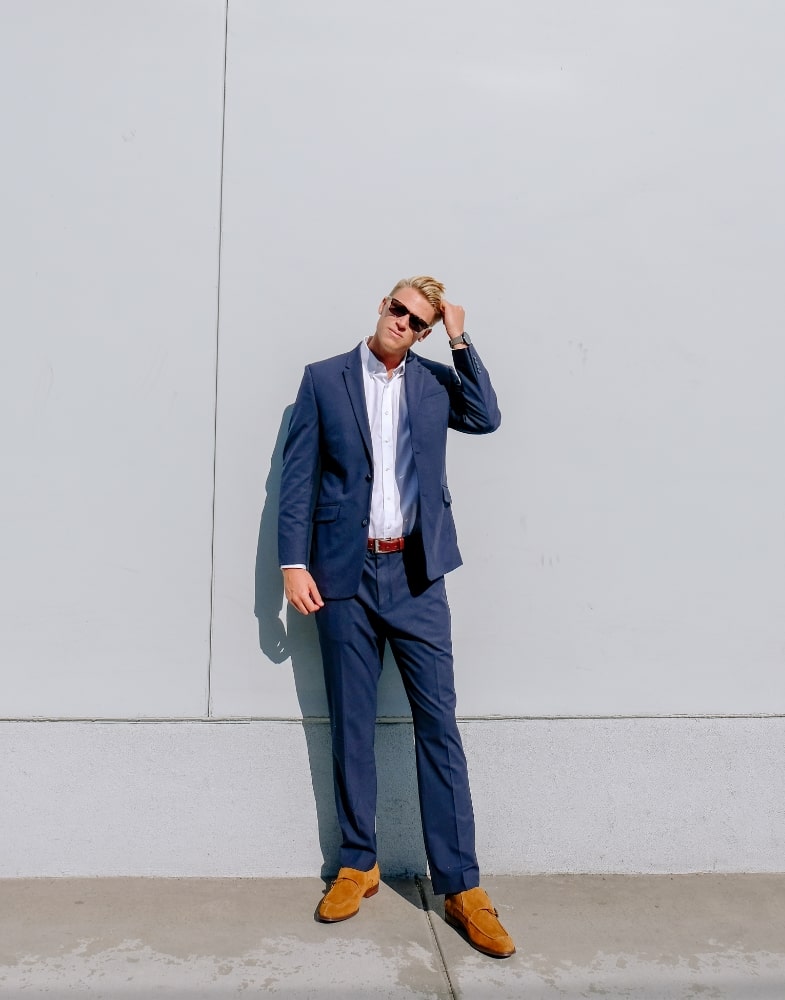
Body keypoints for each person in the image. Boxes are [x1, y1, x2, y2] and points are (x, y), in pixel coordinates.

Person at [278, 276, 515, 958]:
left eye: (418, 321)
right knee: (352, 722)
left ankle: (461, 886)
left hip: (416, 577)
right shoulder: (324, 379)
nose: (402, 324)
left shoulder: (435, 382)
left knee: (437, 726)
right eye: (397, 309)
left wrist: (461, 337)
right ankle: (358, 863)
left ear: (425, 331)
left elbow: (487, 416)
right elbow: (296, 477)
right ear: (380, 305)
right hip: (341, 574)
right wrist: (293, 564)